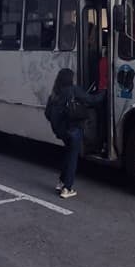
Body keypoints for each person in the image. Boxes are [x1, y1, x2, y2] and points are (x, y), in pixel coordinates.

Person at [45, 68, 105, 198]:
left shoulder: (54, 93)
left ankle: (61, 182)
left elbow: (47, 113)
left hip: (60, 131)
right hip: (73, 130)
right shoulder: (73, 90)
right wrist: (105, 91)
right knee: (73, 157)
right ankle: (67, 188)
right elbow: (92, 100)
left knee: (68, 153)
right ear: (69, 79)